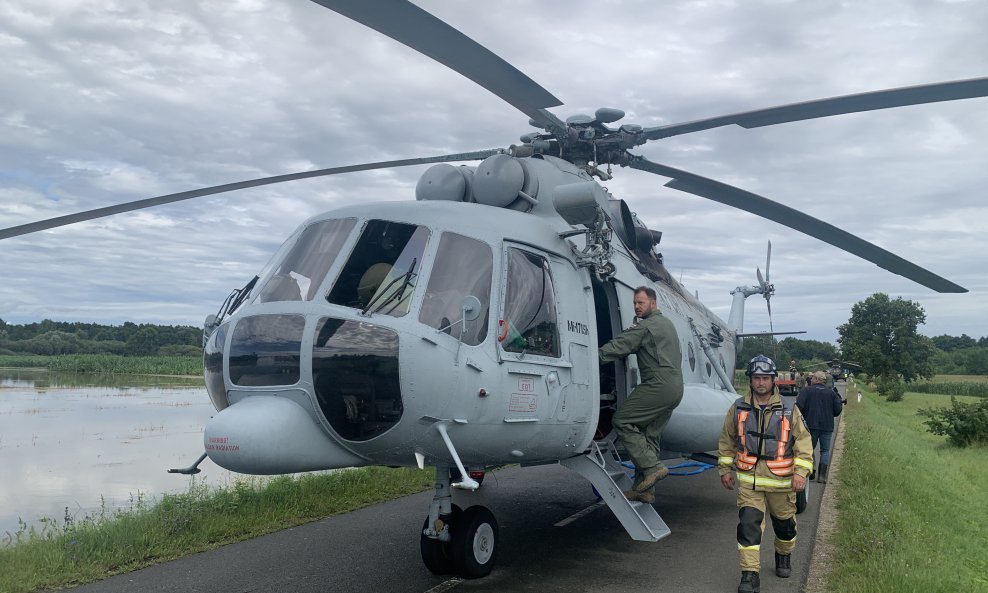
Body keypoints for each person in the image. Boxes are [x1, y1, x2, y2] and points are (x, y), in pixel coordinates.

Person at [718, 355, 813, 593]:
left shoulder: (790, 410)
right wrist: (724, 469)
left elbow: (803, 443)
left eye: (765, 378)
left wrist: (801, 473)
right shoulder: (738, 408)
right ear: (750, 381)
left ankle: (783, 555)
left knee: (785, 528)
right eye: (756, 378)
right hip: (749, 484)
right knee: (748, 527)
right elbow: (727, 440)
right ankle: (750, 575)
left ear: (773, 381)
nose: (761, 383)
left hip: (782, 485)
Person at [599, 286, 684, 504]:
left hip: (657, 384)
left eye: (641, 303)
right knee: (650, 437)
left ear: (653, 303)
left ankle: (653, 467)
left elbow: (618, 346)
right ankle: (644, 489)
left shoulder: (646, 327)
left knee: (623, 420)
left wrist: (591, 358)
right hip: (676, 387)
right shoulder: (668, 325)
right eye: (635, 303)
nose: (637, 307)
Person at [796, 370, 844, 483]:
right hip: (827, 426)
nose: (811, 379)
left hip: (810, 425)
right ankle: (822, 476)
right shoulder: (831, 393)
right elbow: (838, 409)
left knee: (809, 448)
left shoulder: (806, 391)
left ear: (816, 379)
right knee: (825, 451)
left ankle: (811, 469)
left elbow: (798, 407)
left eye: (812, 378)